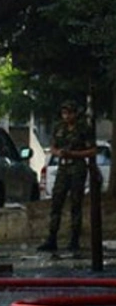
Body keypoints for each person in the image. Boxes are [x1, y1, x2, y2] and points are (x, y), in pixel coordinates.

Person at [37, 100, 97, 252]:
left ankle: (74, 239)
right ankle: (52, 238)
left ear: (75, 113)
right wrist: (58, 153)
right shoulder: (59, 127)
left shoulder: (83, 129)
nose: (66, 116)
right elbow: (53, 147)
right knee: (57, 201)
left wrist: (74, 154)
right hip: (63, 167)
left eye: (69, 112)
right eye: (64, 112)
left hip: (77, 166)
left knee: (76, 203)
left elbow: (92, 151)